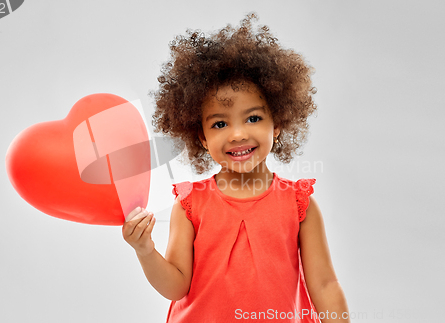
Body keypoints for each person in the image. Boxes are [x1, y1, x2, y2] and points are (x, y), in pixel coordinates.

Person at [122, 13, 350, 323]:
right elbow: (176, 286)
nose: (238, 134)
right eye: (219, 123)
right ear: (201, 137)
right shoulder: (189, 204)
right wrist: (145, 250)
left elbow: (324, 285)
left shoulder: (300, 205)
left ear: (278, 124)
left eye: (253, 118)